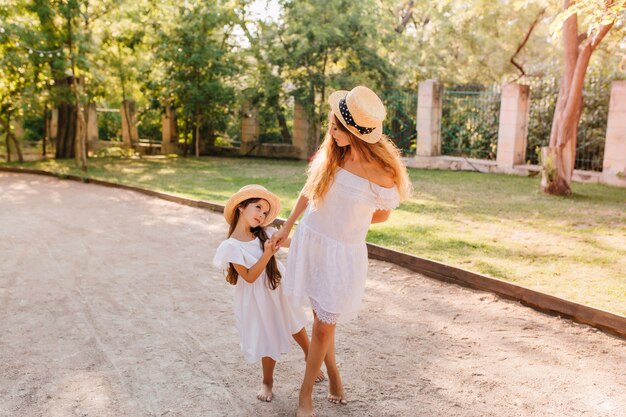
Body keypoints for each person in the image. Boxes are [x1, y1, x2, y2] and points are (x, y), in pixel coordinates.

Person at [272, 86, 412, 416]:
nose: (331, 133)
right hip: (312, 240)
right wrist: (287, 226)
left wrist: (352, 219)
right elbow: (309, 192)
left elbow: (382, 214)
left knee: (323, 325)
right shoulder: (333, 153)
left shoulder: (383, 172)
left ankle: (305, 395)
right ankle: (334, 376)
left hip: (342, 254)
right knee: (322, 321)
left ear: (355, 132)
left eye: (336, 127)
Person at [213, 184, 325, 403]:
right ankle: (267, 381)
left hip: (277, 286)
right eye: (257, 208)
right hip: (257, 298)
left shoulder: (265, 233)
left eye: (265, 212)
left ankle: (309, 357)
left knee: (294, 321)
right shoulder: (231, 246)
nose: (262, 215)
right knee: (267, 335)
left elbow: (295, 243)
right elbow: (250, 276)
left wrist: (315, 240)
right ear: (241, 208)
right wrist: (267, 253)